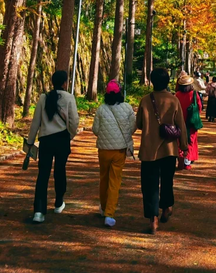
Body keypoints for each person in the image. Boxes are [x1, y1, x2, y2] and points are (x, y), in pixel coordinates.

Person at [136, 68, 188, 235]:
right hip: (169, 148)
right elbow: (181, 125)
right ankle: (166, 208)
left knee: (149, 185)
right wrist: (184, 147)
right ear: (168, 82)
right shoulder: (173, 100)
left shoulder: (145, 100)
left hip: (149, 150)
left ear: (152, 82)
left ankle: (153, 219)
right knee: (167, 180)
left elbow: (139, 124)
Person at [27, 69, 79, 223]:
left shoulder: (44, 98)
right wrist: (70, 135)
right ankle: (58, 202)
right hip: (62, 139)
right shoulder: (69, 98)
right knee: (60, 170)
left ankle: (38, 211)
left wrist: (30, 142)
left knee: (43, 174)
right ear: (64, 83)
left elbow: (35, 122)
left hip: (46, 140)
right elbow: (74, 121)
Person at [91, 80, 136, 228]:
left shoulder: (101, 109)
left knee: (103, 178)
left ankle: (103, 208)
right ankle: (109, 214)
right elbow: (133, 127)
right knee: (114, 181)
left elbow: (96, 130)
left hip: (103, 150)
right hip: (119, 150)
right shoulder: (127, 108)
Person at [175, 72, 203, 171]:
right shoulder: (194, 94)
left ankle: (180, 161)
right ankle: (187, 162)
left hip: (179, 121)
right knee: (190, 141)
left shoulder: (177, 95)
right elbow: (199, 107)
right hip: (191, 122)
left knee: (179, 141)